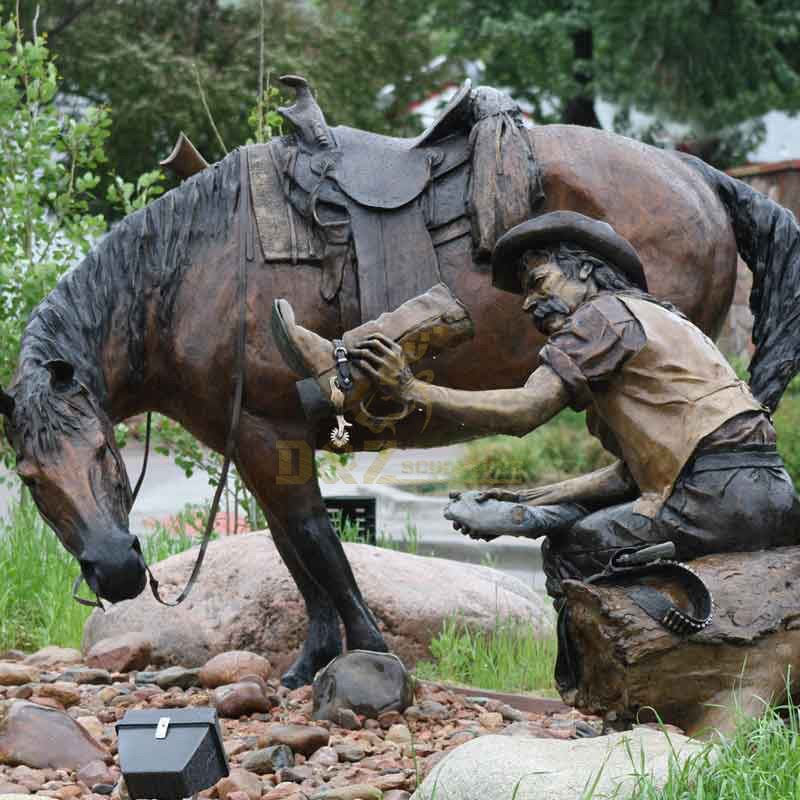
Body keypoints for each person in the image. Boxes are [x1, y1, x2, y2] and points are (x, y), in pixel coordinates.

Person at [273, 210, 800, 608]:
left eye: (539, 282)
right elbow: (632, 474)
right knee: (575, 524)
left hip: (714, 495)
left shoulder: (601, 318)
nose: (528, 303)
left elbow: (526, 411)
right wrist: (524, 501)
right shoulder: (663, 322)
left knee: (576, 548)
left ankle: (621, 690)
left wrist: (412, 391)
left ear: (588, 274)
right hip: (763, 491)